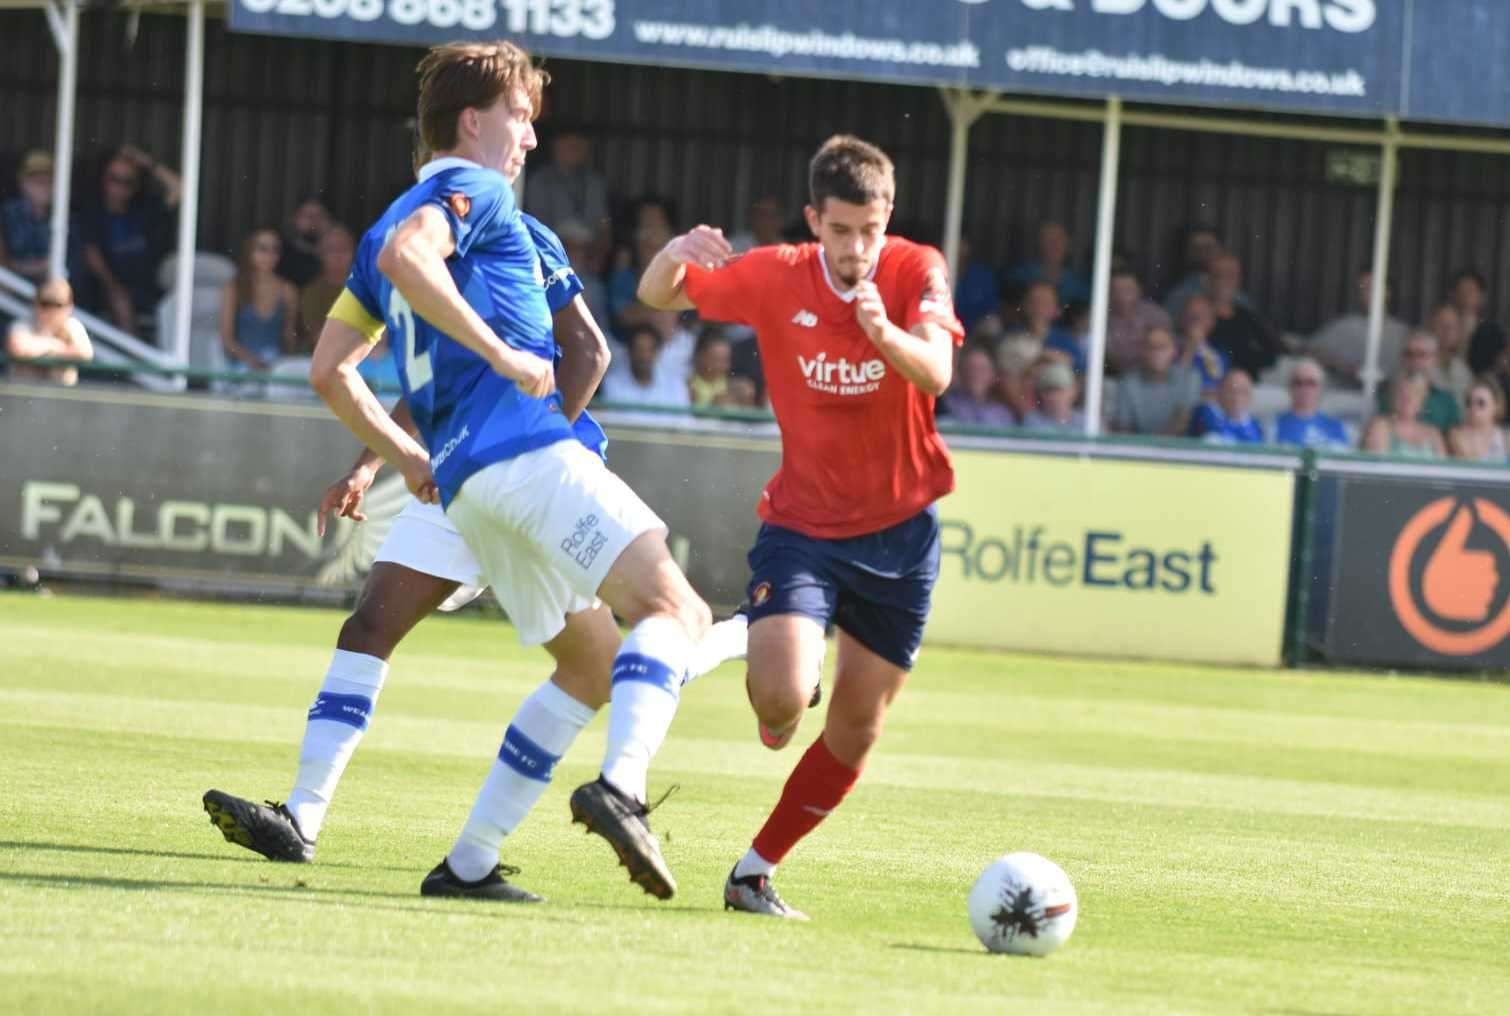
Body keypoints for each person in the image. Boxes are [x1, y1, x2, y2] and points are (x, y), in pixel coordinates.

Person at [283, 41, 711, 904]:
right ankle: (622, 788)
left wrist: (405, 458)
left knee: (591, 667)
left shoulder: (371, 234)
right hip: (526, 455)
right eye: (519, 116)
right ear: (473, 122)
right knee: (678, 609)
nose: (528, 137)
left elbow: (330, 369)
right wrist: (507, 353)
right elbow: (417, 254)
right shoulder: (474, 190)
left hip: (471, 489)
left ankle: (470, 863)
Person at [203, 200, 747, 871]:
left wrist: (532, 453)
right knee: (371, 625)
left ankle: (750, 635)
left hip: (527, 471)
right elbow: (429, 386)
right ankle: (305, 817)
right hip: (463, 474)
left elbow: (590, 350)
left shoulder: (520, 235)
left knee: (622, 656)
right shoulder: (413, 250)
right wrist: (369, 465)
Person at [639, 134, 964, 920]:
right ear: (816, 220)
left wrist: (883, 332)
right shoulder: (775, 275)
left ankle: (753, 872)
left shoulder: (916, 270)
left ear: (889, 220)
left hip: (901, 539)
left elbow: (939, 371)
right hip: (804, 528)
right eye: (843, 229)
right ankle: (780, 682)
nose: (858, 248)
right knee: (783, 702)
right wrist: (678, 251)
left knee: (856, 730)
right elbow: (661, 294)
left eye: (872, 229)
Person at [80, 145, 181, 332]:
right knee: (120, 300)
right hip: (106, 287)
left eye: (127, 182)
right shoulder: (92, 212)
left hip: (146, 288)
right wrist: (113, 286)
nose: (119, 187)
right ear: (104, 179)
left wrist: (147, 163)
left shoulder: (143, 209)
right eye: (114, 179)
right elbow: (91, 255)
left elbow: (180, 189)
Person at [1307, 269, 1408, 388]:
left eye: (1372, 288)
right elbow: (1310, 351)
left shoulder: (1403, 332)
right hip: (1347, 397)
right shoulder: (1343, 326)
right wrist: (1342, 366)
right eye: (1362, 289)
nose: (1367, 294)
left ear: (1387, 292)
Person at [218, 229, 299, 372]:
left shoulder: (287, 290)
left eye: (275, 250)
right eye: (262, 249)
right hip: (241, 365)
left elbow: (289, 336)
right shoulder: (233, 287)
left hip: (276, 366)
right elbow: (227, 339)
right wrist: (252, 362)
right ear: (249, 251)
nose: (269, 255)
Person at [523, 121, 611, 252]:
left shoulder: (595, 182)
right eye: (570, 145)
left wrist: (598, 255)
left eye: (579, 145)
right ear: (555, 145)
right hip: (551, 252)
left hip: (590, 256)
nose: (574, 150)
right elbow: (536, 227)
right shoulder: (540, 181)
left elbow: (604, 225)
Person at [1111, 326, 1198, 436]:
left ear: (1174, 350)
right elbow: (1123, 428)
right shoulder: (1128, 382)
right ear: (1142, 351)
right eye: (1150, 347)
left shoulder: (1189, 378)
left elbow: (1182, 422)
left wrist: (1155, 447)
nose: (1156, 352)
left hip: (1180, 449)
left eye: (1163, 347)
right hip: (1138, 449)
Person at [5, 277, 92, 385]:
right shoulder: (22, 324)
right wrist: (54, 345)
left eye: (58, 304)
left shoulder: (72, 326)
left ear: (69, 306)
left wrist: (39, 350)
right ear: (36, 303)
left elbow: (85, 353)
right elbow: (17, 349)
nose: (51, 310)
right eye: (45, 303)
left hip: (61, 396)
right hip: (24, 395)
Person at [1205, 254, 1281, 378]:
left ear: (1238, 280)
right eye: (1217, 275)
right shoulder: (1195, 313)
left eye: (1229, 276)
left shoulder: (1248, 317)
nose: (1222, 281)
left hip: (1243, 387)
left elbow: (1271, 355)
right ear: (1207, 279)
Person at [1376, 332, 1462, 432]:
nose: (1414, 360)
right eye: (1409, 354)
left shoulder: (1446, 401)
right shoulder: (1387, 394)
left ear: (1435, 358)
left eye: (1421, 354)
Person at [598, 322, 692, 408]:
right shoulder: (611, 383)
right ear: (629, 352)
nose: (644, 356)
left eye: (649, 350)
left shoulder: (676, 385)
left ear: (657, 353)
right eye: (639, 349)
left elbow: (685, 423)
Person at [0, 150, 57, 286]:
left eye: (49, 181)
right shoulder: (7, 214)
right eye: (37, 181)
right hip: (12, 292)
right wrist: (40, 267)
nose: (44, 186)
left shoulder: (62, 216)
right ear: (22, 182)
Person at [1105, 267, 1171, 376]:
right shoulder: (1102, 318)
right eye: (1116, 290)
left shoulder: (1155, 315)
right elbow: (1109, 359)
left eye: (1128, 290)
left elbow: (1166, 349)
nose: (1122, 296)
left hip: (1152, 375)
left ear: (1139, 290)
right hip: (1118, 376)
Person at [298, 225, 356, 351]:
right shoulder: (312, 292)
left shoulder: (366, 288)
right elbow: (317, 336)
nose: (338, 255)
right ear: (320, 254)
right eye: (331, 250)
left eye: (344, 249)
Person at [1362, 372, 1445, 458]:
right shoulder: (1381, 426)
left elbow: (1443, 468)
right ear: (1393, 397)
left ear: (1422, 400)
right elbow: (1378, 466)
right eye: (1402, 393)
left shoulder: (1433, 433)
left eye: (1415, 394)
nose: (1408, 399)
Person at [1272, 358, 1349, 450]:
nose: (1304, 389)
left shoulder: (1336, 427)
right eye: (1298, 383)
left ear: (1321, 388)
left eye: (1311, 383)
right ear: (1289, 387)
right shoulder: (1274, 426)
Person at [1007, 220, 1088, 305]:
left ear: (1067, 245)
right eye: (1048, 240)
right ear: (1039, 243)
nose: (1054, 245)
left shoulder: (1078, 286)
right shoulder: (1019, 277)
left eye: (1059, 240)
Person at [940, 345, 1016, 428]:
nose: (976, 375)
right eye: (971, 369)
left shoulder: (1002, 412)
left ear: (993, 374)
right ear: (961, 372)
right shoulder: (946, 404)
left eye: (982, 369)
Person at [1453, 270, 1508, 378]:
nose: (1465, 297)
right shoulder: (1444, 327)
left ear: (1482, 296)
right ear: (1452, 295)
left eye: (1470, 291)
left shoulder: (1492, 332)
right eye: (1461, 291)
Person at [1187, 368, 1264, 444]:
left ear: (1250, 396)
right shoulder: (1204, 413)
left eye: (1243, 392)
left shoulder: (1255, 426)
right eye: (1232, 391)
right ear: (1219, 391)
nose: (1237, 397)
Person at [1175, 292, 1228, 395]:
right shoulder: (1168, 348)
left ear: (1212, 322)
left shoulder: (1220, 355)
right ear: (1182, 318)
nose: (1196, 318)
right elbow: (1174, 384)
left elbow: (1218, 383)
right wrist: (1190, 348)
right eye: (1191, 313)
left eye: (1202, 314)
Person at [1447, 376, 1510, 463]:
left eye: (1481, 403)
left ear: (1496, 406)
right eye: (1469, 402)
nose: (1473, 408)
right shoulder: (1457, 435)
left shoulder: (1506, 436)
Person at [275, 195, 332, 289]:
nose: (314, 220)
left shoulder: (342, 253)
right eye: (308, 216)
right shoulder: (279, 255)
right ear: (295, 220)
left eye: (319, 215)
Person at [1020, 362, 1085, 434]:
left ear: (1073, 390)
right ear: (1040, 394)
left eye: (1060, 389)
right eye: (1049, 390)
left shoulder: (1086, 422)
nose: (1054, 396)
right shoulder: (1031, 422)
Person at [1425, 303, 1472, 399]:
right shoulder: (1419, 362)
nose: (1447, 331)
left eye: (1452, 327)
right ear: (1431, 327)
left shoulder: (1464, 371)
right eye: (1442, 325)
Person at [688, 326, 740, 407]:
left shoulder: (732, 386)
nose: (722, 366)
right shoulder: (689, 386)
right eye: (716, 360)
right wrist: (713, 406)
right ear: (701, 356)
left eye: (725, 360)